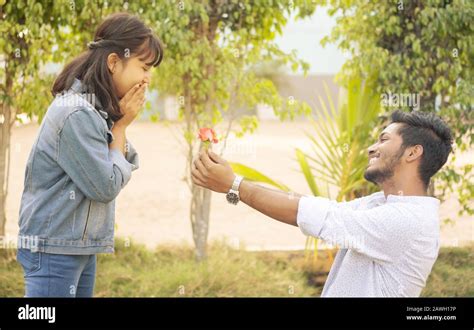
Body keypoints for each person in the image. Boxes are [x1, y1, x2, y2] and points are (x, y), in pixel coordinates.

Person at [192, 110, 453, 297]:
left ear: (412, 152)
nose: (371, 148)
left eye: (384, 139)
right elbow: (312, 207)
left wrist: (234, 185)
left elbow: (307, 214)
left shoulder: (407, 222)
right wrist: (234, 185)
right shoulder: (383, 204)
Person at [16, 12, 163, 297]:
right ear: (113, 62)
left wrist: (117, 127)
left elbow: (114, 161)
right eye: (144, 68)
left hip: (76, 246)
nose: (147, 80)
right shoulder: (76, 113)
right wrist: (121, 127)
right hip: (53, 248)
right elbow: (106, 185)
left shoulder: (95, 108)